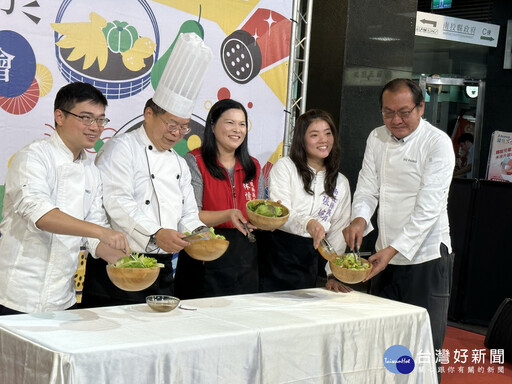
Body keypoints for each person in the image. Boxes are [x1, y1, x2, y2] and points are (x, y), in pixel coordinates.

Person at [340, 78, 455, 380]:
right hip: (386, 257)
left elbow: (428, 209)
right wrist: (360, 219)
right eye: (388, 113)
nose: (395, 121)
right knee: (387, 343)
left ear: (421, 107)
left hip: (426, 257)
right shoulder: (376, 137)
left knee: (423, 347)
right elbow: (367, 188)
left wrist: (390, 250)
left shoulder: (437, 143)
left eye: (404, 112)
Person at [0, 82, 130, 315]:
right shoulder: (33, 157)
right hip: (17, 295)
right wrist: (101, 232)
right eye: (86, 118)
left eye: (101, 120)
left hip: (64, 297)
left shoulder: (90, 171)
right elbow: (40, 214)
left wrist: (126, 262)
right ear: (59, 116)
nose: (95, 127)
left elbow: (94, 230)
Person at [80, 98, 206, 307]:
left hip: (162, 269)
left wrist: (199, 233)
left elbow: (188, 213)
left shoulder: (179, 162)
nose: (176, 133)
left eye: (183, 127)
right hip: (120, 264)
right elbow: (116, 201)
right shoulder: (121, 148)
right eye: (172, 124)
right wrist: (156, 233)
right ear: (149, 114)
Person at [174, 99, 265, 299]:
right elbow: (190, 215)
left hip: (244, 257)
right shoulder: (195, 161)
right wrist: (228, 214)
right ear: (213, 126)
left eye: (242, 124)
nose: (237, 129)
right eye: (230, 122)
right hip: (204, 250)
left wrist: (269, 217)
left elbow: (256, 214)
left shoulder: (254, 166)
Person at [258, 109, 352, 293]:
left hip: (309, 257)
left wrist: (332, 274)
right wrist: (307, 222)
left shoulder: (341, 182)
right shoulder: (285, 167)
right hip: (276, 252)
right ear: (302, 139)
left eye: (327, 133)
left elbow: (339, 230)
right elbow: (280, 211)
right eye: (314, 135)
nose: (323, 140)